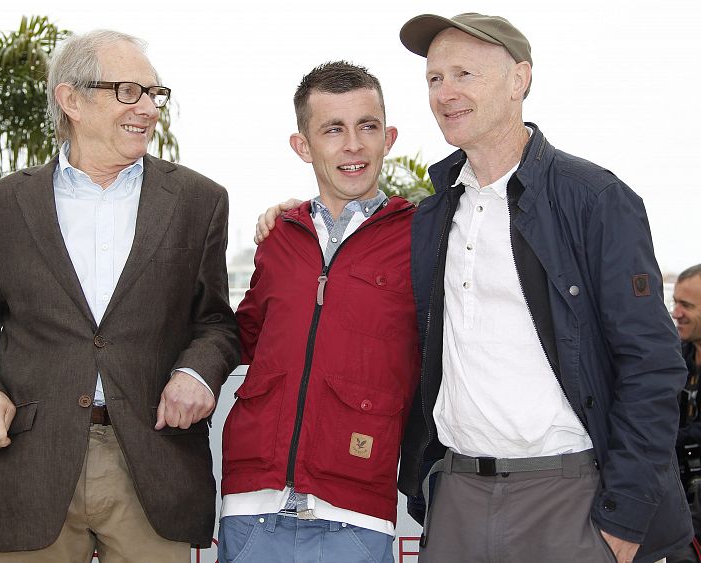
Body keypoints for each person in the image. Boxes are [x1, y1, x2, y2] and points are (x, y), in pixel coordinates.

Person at [256, 12, 692, 563]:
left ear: (519, 80)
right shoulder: (434, 215)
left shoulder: (594, 199)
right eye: (435, 79)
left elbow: (651, 363)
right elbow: (355, 258)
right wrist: (292, 215)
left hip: (571, 500)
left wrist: (625, 519)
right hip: (456, 496)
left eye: (464, 73)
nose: (445, 93)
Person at [0, 30, 239, 561]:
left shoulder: (199, 200)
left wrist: (196, 373)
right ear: (70, 99)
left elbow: (215, 322)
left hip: (154, 462)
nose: (148, 108)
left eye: (154, 94)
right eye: (129, 91)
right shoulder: (1, 206)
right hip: (31, 466)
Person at [217, 61, 420, 563]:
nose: (353, 145)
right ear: (303, 146)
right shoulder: (279, 237)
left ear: (388, 137)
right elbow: (242, 338)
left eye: (367, 126)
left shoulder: (422, 238)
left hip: (356, 513)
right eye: (333, 129)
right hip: (250, 507)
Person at [669, 265, 701, 563]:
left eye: (687, 305)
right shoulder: (677, 359)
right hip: (678, 503)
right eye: (675, 302)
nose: (676, 312)